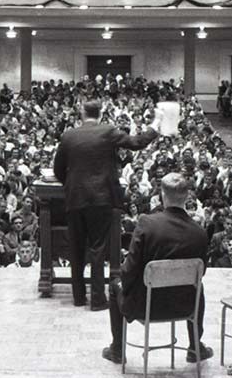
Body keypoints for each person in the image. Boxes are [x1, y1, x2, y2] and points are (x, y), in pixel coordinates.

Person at [53, 99, 160, 310]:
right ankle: (98, 300)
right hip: (101, 198)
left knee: (76, 247)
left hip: (75, 197)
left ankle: (79, 297)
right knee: (97, 248)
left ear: (82, 113)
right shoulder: (109, 131)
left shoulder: (68, 135)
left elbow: (58, 169)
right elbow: (137, 143)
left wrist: (72, 185)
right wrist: (154, 128)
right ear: (101, 114)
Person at [103, 173, 213, 364]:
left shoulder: (147, 223)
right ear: (187, 197)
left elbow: (129, 270)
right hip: (184, 306)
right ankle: (195, 347)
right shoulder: (200, 232)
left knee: (115, 284)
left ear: (162, 195)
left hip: (145, 306)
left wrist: (125, 286)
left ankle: (117, 350)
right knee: (198, 286)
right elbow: (200, 274)